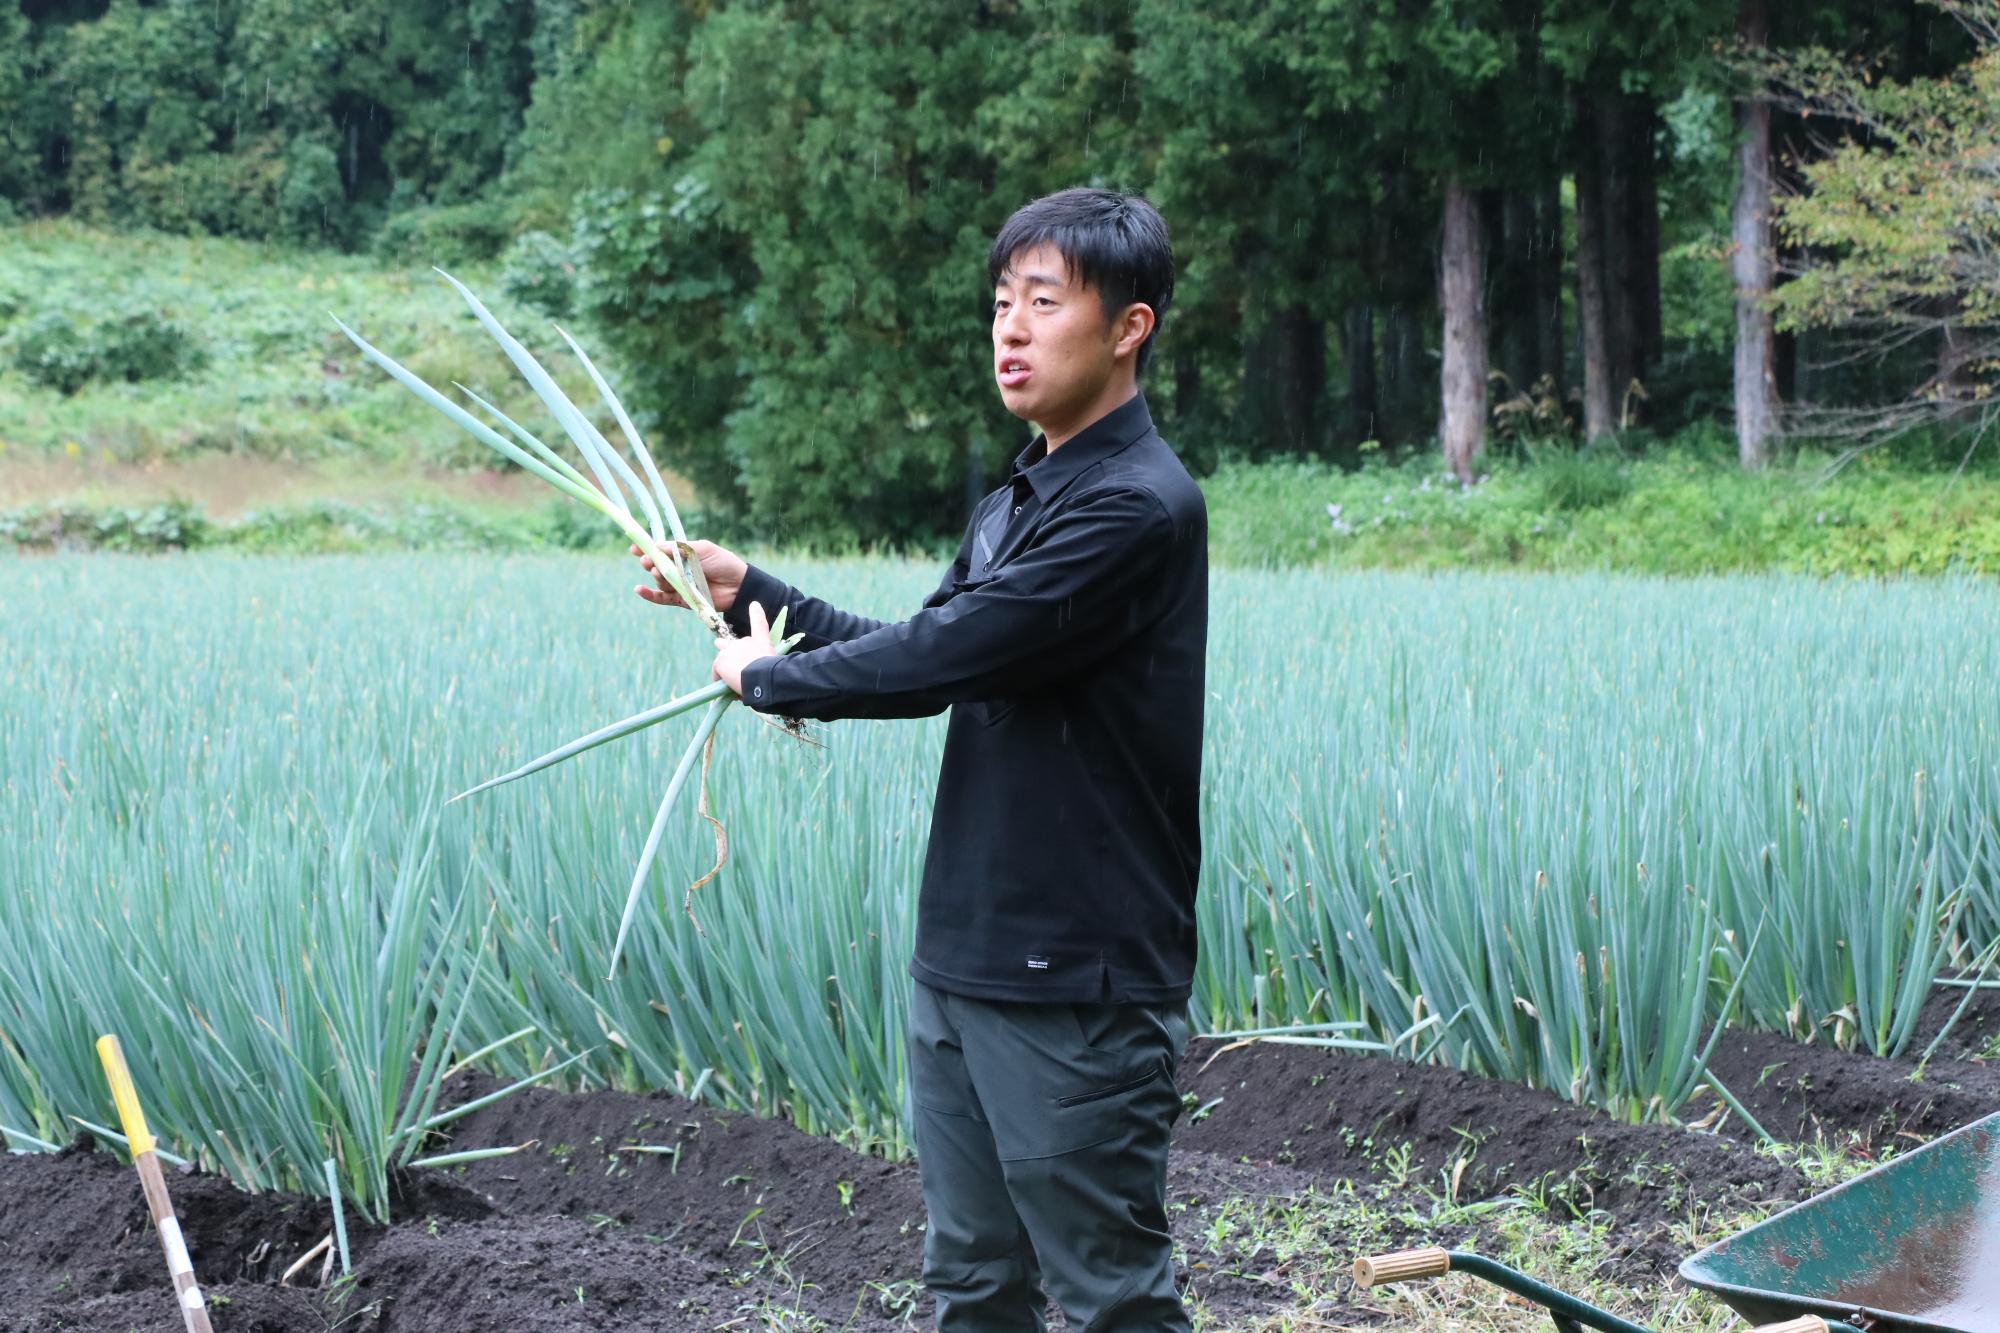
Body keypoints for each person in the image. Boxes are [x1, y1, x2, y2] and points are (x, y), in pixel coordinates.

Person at [634, 187, 1206, 1332]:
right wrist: (754, 596)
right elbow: (926, 646)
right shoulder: (1020, 495)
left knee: (1110, 1298)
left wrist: (768, 677)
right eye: (999, 304)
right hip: (965, 961)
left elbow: (945, 655)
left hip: (1076, 982)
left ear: (1127, 327)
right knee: (972, 1284)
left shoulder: (1137, 508)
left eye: (1042, 302)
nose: (1009, 330)